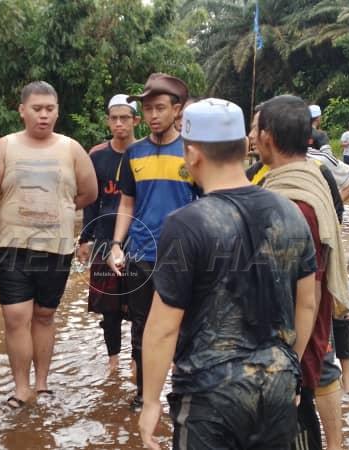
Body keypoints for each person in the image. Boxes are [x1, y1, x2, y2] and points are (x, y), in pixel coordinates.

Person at [138, 98, 315, 450]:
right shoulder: (290, 212)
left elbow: (164, 326)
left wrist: (150, 402)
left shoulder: (186, 223)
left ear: (193, 155)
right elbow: (307, 304)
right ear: (244, 148)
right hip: (278, 384)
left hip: (210, 395)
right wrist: (290, 370)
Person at [0, 81, 97, 414]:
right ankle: (21, 388)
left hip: (56, 248)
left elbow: (89, 193)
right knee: (16, 316)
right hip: (12, 246)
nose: (44, 116)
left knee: (44, 316)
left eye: (50, 109)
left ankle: (42, 384)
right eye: (37, 109)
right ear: (22, 111)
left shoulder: (71, 149)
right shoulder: (4, 147)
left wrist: (62, 208)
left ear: (57, 111)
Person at [258, 95, 349, 450]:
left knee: (296, 426)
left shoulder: (292, 203)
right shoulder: (310, 178)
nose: (252, 137)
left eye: (256, 129)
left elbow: (299, 294)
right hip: (309, 327)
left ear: (267, 136)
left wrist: (290, 365)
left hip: (294, 338)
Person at [106, 73, 195, 410]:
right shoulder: (134, 153)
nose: (153, 116)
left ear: (177, 110)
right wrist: (116, 244)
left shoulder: (192, 151)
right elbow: (127, 202)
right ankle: (145, 394)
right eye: (147, 109)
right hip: (141, 253)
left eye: (160, 108)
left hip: (183, 255)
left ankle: (183, 394)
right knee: (142, 327)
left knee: (186, 326)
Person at [80, 94, 140, 373]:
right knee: (109, 306)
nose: (119, 124)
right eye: (114, 118)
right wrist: (85, 238)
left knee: (140, 303)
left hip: (139, 237)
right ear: (108, 121)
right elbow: (92, 199)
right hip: (105, 237)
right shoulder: (97, 155)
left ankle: (136, 360)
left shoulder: (144, 153)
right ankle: (113, 361)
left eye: (124, 118)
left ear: (135, 121)